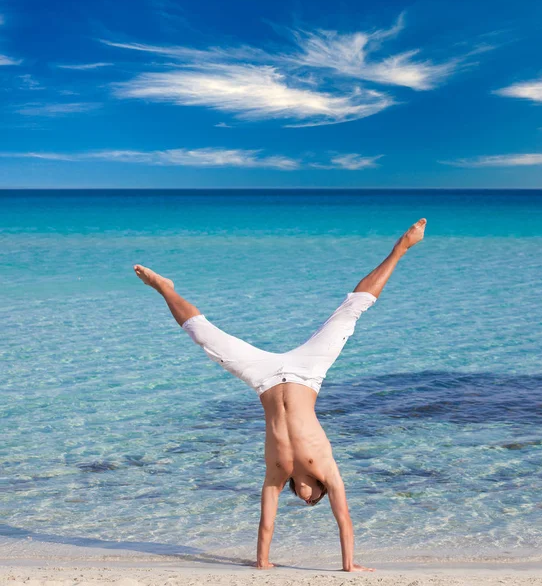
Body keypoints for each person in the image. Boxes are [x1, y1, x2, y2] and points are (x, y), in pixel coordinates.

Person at [133, 218, 426, 572]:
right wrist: (350, 566)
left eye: (309, 502)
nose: (309, 502)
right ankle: (402, 247)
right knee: (351, 311)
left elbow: (266, 522)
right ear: (319, 490)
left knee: (203, 335)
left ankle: (164, 288)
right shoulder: (329, 472)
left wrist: (263, 563)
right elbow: (345, 518)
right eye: (316, 501)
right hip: (308, 371)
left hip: (264, 378)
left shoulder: (276, 474)